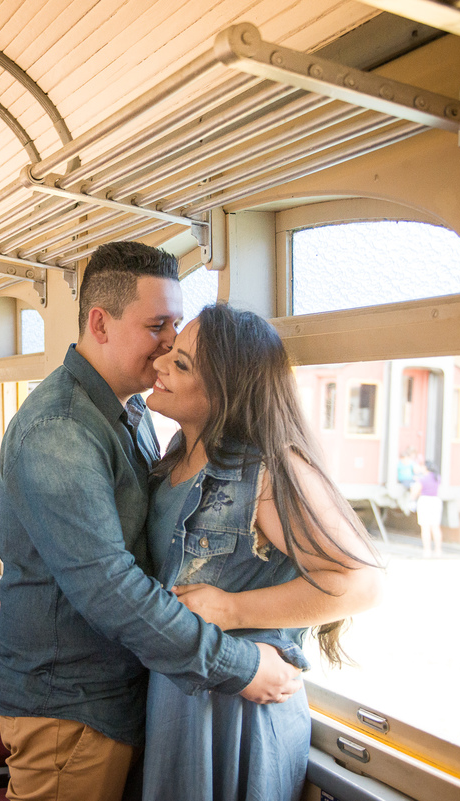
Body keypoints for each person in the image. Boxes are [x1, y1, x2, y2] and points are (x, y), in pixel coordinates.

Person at [0, 242, 303, 801]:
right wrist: (242, 666)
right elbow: (110, 588)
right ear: (99, 324)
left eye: (176, 324)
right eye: (157, 325)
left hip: (121, 696)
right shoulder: (60, 431)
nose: (171, 342)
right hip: (72, 709)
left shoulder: (129, 409)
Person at [142, 303, 384, 801]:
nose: (159, 363)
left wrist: (232, 609)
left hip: (239, 713)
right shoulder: (173, 460)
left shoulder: (268, 470)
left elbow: (361, 583)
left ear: (224, 393)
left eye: (181, 364)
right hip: (179, 701)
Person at [412, 461, 444, 556]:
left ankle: (427, 550)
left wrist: (412, 499)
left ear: (425, 468)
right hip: (436, 501)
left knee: (425, 527)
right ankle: (438, 550)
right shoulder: (437, 477)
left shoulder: (422, 479)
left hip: (425, 501)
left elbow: (415, 491)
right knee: (435, 527)